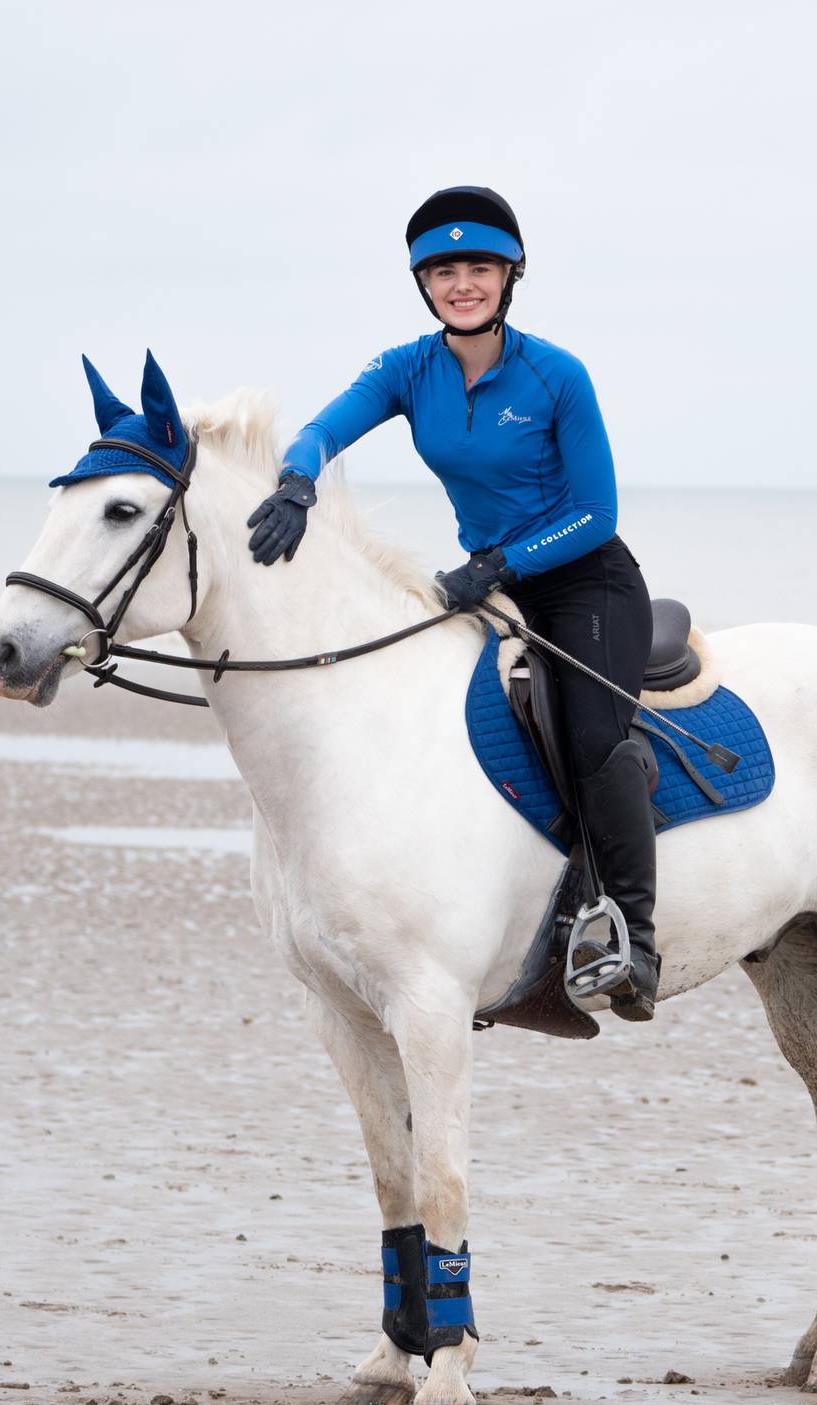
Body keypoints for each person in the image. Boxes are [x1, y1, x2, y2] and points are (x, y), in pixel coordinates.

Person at [245, 186, 659, 1019]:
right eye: (443, 270)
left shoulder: (555, 375)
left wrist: (501, 560)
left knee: (585, 731)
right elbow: (323, 428)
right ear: (422, 283)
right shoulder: (407, 369)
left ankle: (633, 938)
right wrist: (295, 481)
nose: (462, 283)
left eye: (479, 268)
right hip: (491, 580)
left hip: (586, 580)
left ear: (511, 277)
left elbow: (597, 513)